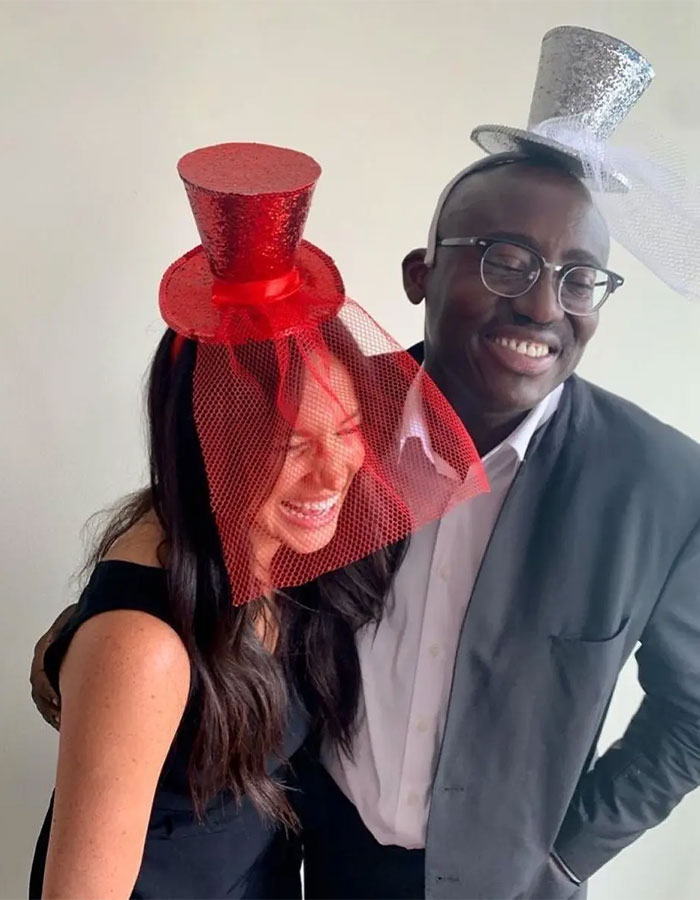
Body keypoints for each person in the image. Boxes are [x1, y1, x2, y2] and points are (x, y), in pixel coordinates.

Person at [32, 27, 700, 900]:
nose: (542, 303)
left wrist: (568, 854)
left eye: (579, 277)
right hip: (322, 862)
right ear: (422, 274)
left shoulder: (664, 484)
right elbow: (199, 519)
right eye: (504, 260)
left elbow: (690, 714)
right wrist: (93, 651)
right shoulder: (335, 408)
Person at [28, 142, 484, 899]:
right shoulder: (143, 646)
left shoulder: (280, 549)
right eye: (291, 446)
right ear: (211, 445)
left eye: (346, 432)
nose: (335, 474)